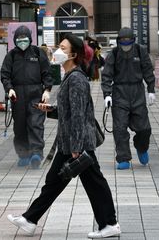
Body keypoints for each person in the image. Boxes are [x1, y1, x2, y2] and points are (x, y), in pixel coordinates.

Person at [7, 34, 121, 239]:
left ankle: (110, 224)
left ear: (73, 55)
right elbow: (69, 110)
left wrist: (77, 148)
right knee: (54, 182)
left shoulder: (76, 79)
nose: (57, 51)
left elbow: (78, 115)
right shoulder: (71, 77)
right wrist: (49, 110)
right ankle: (30, 220)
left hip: (77, 144)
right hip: (69, 142)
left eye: (62, 48)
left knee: (94, 184)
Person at [101, 27, 156, 170]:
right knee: (120, 128)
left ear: (133, 40)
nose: (126, 44)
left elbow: (147, 70)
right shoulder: (113, 53)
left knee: (144, 128)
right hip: (119, 92)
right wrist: (107, 94)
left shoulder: (140, 51)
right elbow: (107, 74)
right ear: (118, 41)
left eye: (128, 41)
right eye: (123, 41)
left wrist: (151, 89)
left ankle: (141, 147)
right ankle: (123, 158)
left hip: (137, 91)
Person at [0, 25, 53, 169]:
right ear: (15, 40)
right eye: (19, 40)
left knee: (35, 123)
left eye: (24, 40)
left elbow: (47, 72)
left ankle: (36, 153)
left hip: (35, 93)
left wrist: (47, 89)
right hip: (17, 95)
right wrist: (9, 89)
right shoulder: (11, 56)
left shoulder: (37, 53)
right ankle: (23, 154)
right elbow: (5, 74)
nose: (22, 42)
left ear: (30, 39)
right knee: (20, 126)